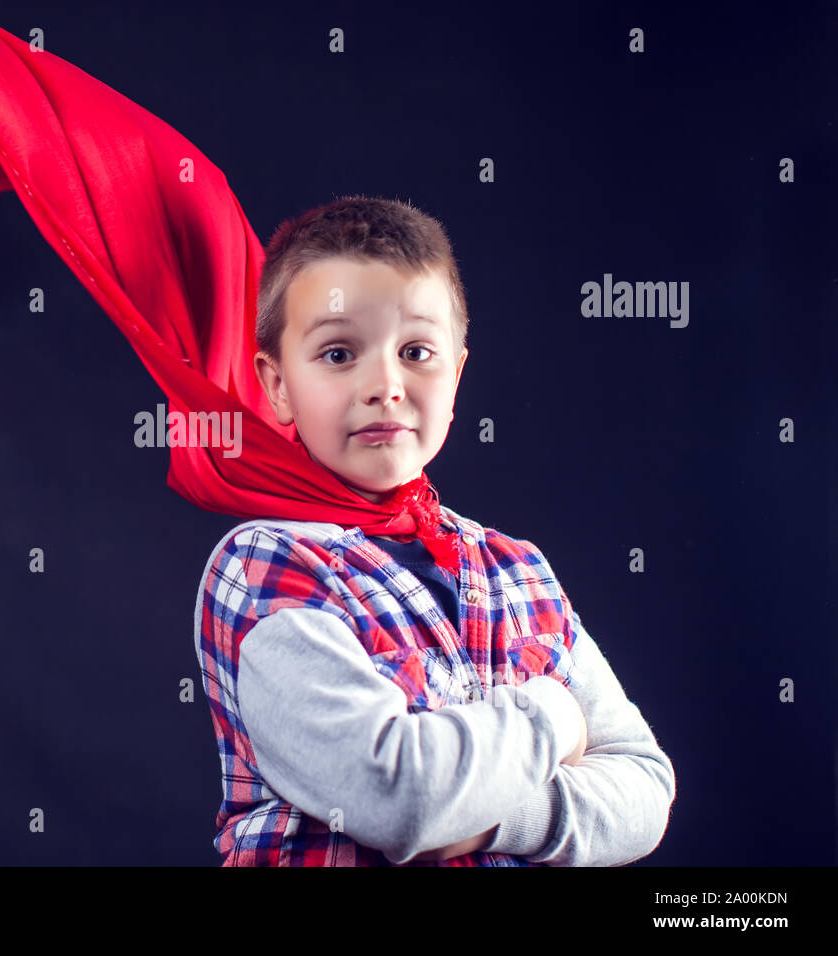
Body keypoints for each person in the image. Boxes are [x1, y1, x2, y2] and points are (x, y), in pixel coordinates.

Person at [193, 196, 676, 866]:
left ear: (457, 372)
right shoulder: (268, 568)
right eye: (338, 353)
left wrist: (479, 822)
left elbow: (645, 789)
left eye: (417, 350)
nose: (385, 384)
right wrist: (556, 715)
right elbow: (400, 798)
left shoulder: (518, 569)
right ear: (276, 386)